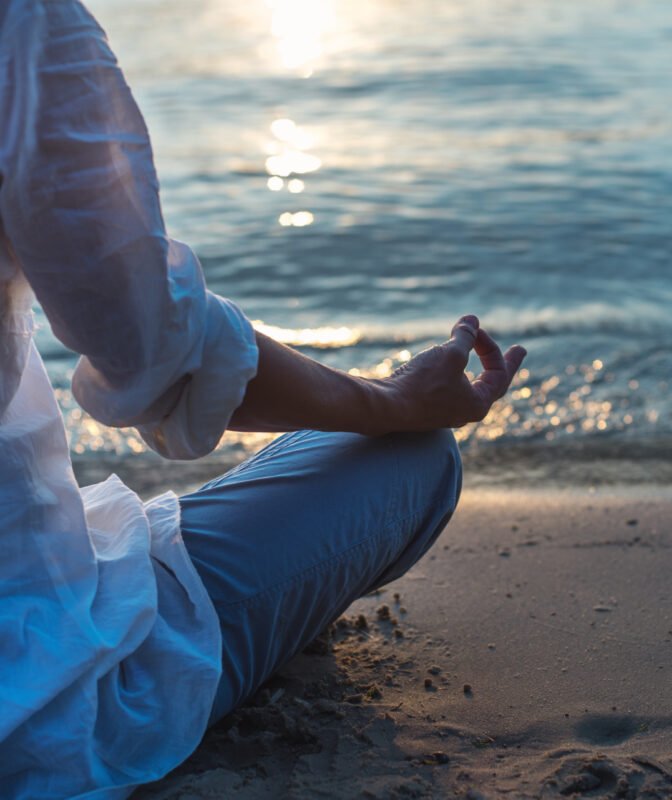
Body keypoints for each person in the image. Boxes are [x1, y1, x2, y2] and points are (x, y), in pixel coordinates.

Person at [0, 1, 526, 797]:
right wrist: (390, 403)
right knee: (416, 462)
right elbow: (155, 357)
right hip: (34, 695)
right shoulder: (24, 24)